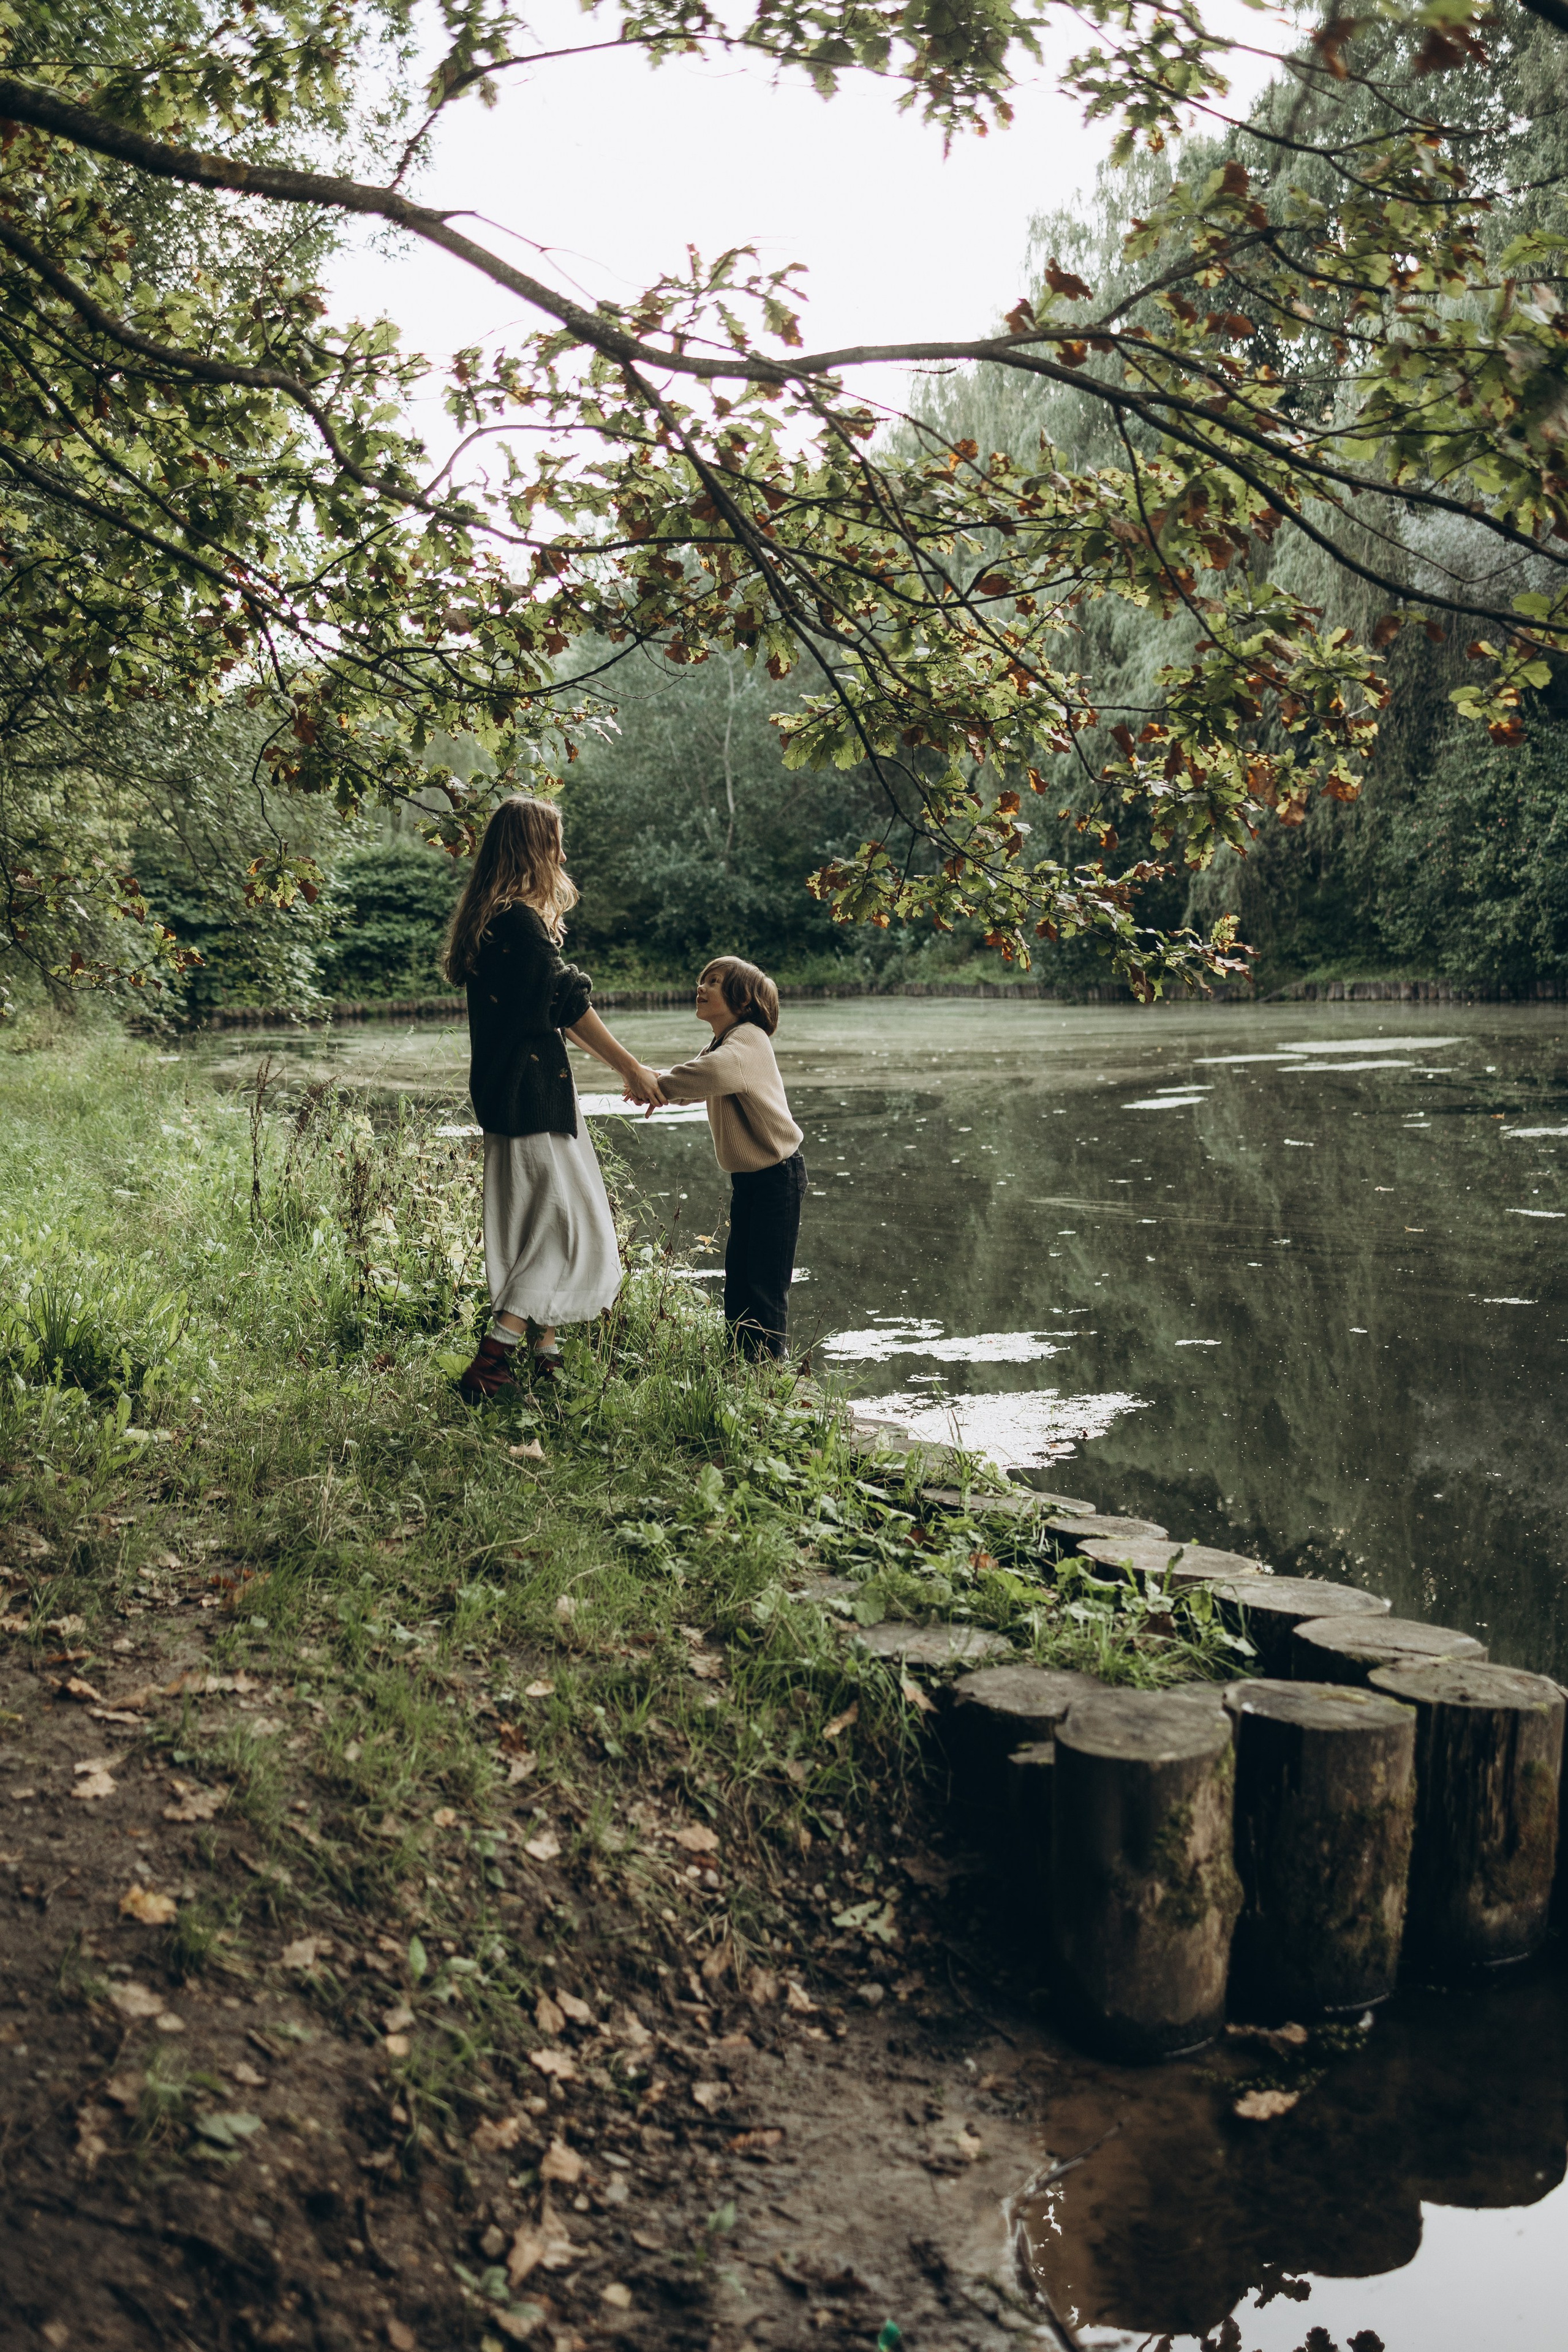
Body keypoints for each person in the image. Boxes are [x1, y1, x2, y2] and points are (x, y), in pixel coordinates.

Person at [442, 795, 663, 1401]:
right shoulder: (515, 923)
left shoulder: (498, 922)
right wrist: (632, 1069)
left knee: (546, 1224)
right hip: (529, 1099)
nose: (562, 856)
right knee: (564, 1230)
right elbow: (565, 1005)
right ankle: (492, 1363)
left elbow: (552, 1007)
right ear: (530, 849)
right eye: (554, 842)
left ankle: (546, 1359)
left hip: (519, 1097)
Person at [652, 957, 805, 1360]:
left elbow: (715, 1072)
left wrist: (657, 1084)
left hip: (777, 1178)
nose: (702, 987)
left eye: (714, 981)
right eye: (702, 979)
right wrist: (658, 1090)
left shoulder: (749, 1039)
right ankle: (742, 1366)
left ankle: (770, 1378)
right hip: (752, 1181)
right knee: (739, 1283)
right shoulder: (724, 1042)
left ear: (743, 1000)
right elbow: (701, 1080)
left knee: (765, 1288)